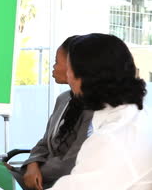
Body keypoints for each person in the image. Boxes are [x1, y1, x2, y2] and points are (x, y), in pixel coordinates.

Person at [0, 36, 94, 190]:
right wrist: (31, 165)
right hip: (33, 175)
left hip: (52, 183)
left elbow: (70, 164)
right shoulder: (64, 98)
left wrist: (25, 171)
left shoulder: (94, 112)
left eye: (57, 62)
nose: (52, 67)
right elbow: (44, 142)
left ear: (73, 67)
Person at [48, 33, 152, 189]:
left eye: (69, 69)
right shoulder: (137, 115)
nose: (67, 77)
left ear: (84, 77)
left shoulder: (112, 139)